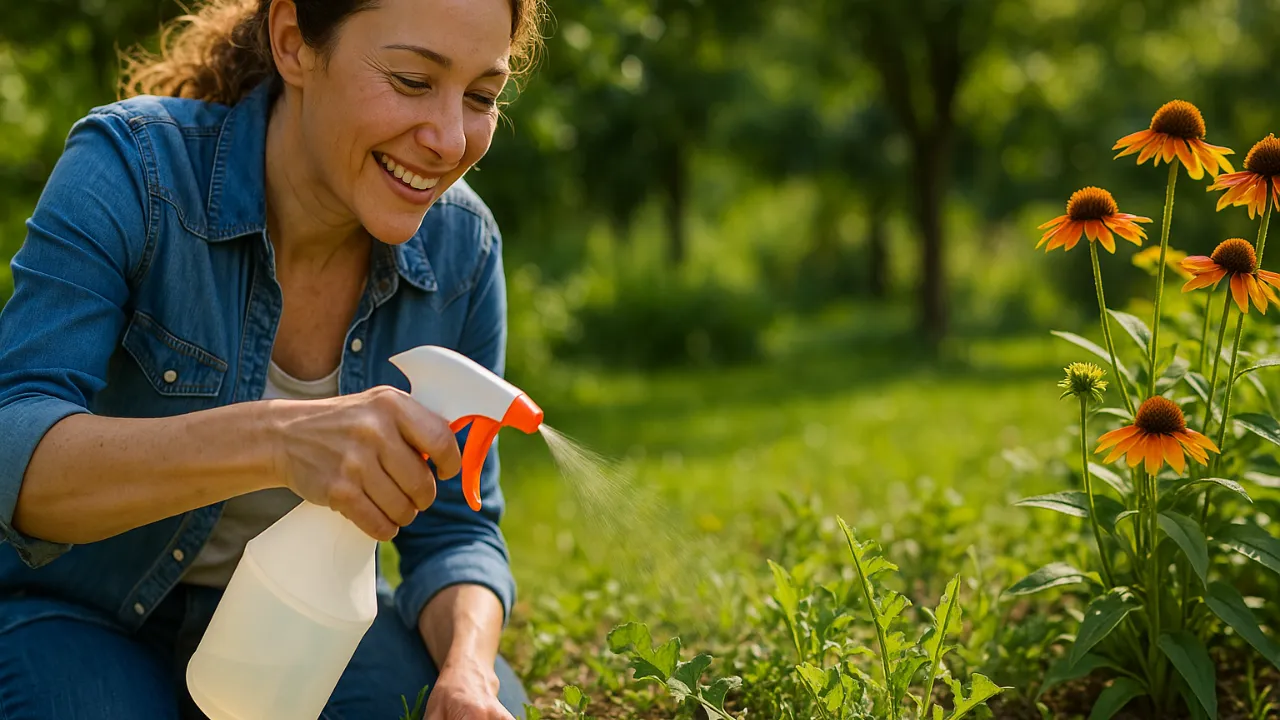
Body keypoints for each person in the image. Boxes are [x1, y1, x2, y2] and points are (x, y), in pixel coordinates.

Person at [0, 0, 545, 716]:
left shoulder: (462, 249)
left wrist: (467, 669)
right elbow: (15, 450)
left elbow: (457, 532)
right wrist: (281, 441)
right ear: (293, 43)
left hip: (303, 632)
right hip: (80, 609)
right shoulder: (134, 170)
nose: (448, 140)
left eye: (480, 96)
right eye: (413, 81)